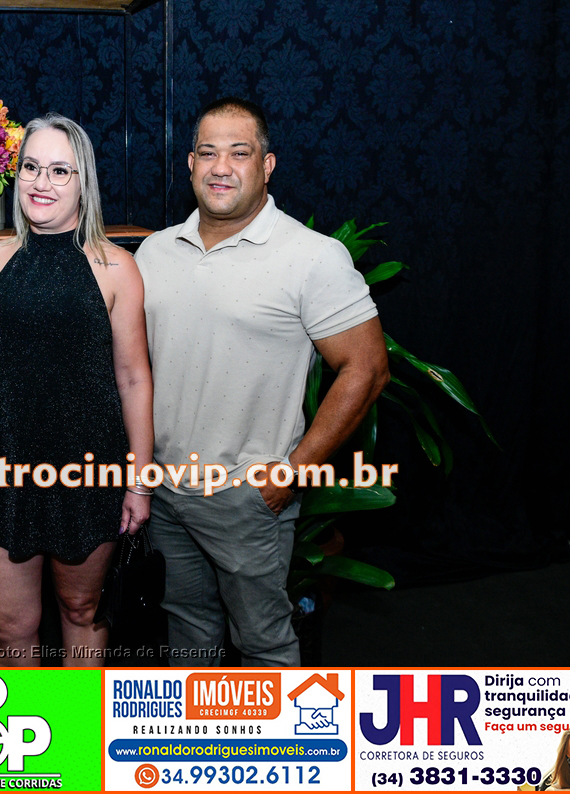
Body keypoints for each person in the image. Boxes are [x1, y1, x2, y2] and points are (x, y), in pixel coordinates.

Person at [134, 97, 389, 666]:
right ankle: (196, 729)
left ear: (267, 166)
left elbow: (368, 369)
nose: (221, 167)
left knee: (264, 645)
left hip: (246, 499)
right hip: (166, 492)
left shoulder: (312, 257)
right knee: (188, 637)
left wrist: (292, 474)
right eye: (208, 153)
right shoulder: (155, 251)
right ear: (190, 165)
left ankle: (276, 729)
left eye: (239, 153)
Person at [0, 113, 153, 667]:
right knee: (8, 626)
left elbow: (134, 379)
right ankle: (23, 723)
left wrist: (140, 481)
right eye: (30, 167)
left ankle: (74, 723)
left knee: (81, 610)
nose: (41, 182)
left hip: (87, 471)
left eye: (59, 170)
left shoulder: (117, 268)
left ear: (83, 182)